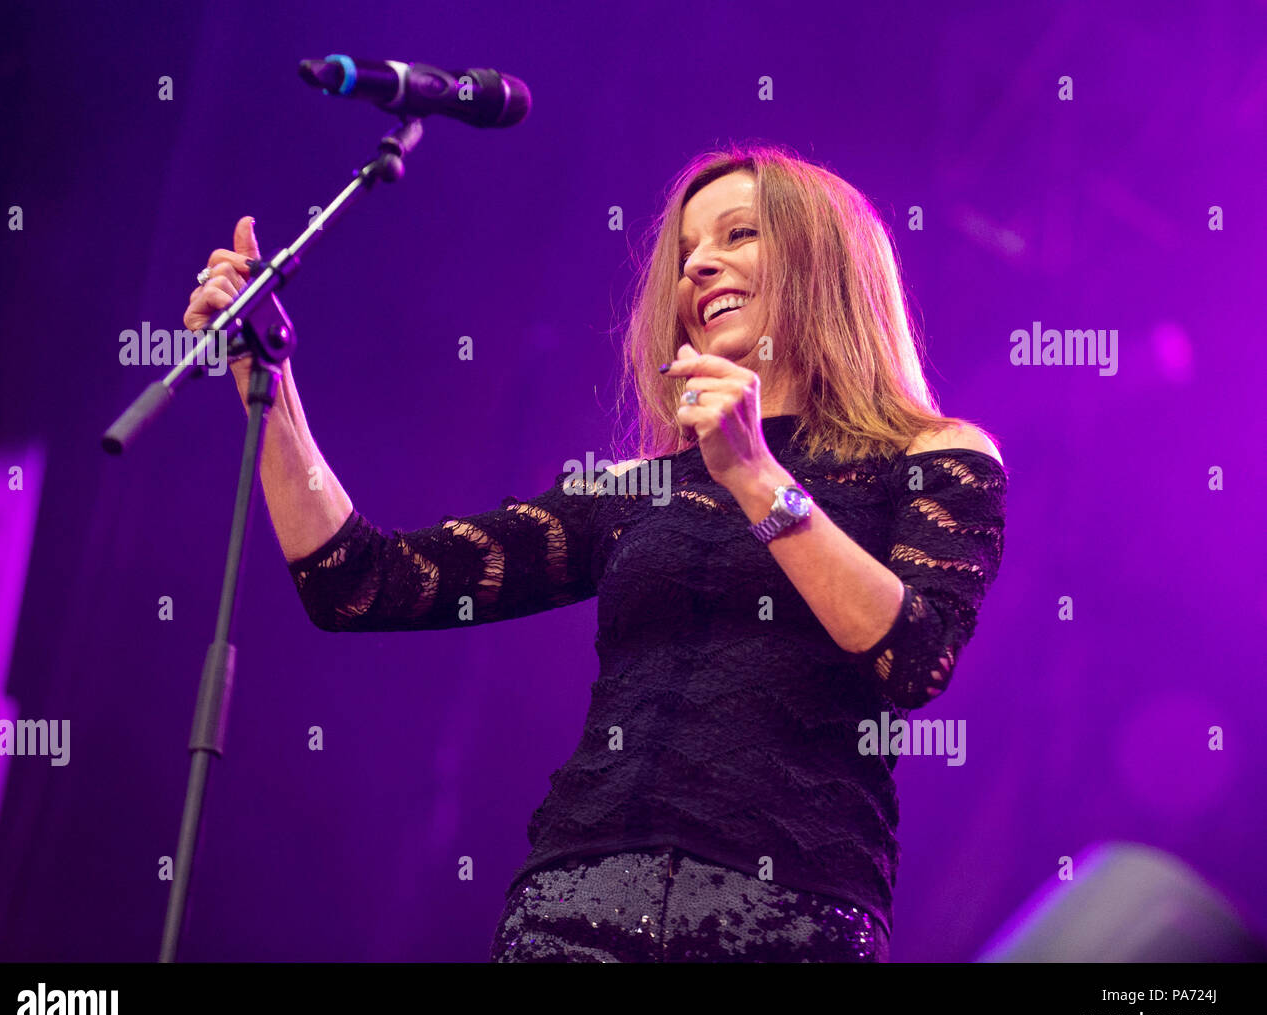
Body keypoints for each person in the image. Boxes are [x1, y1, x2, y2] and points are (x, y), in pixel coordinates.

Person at [184, 144, 1008, 963]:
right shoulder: (634, 489)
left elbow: (915, 657)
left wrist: (756, 477)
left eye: (738, 236)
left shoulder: (931, 454)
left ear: (824, 261)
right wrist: (270, 384)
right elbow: (363, 583)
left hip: (791, 915)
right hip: (575, 906)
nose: (700, 269)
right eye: (687, 254)